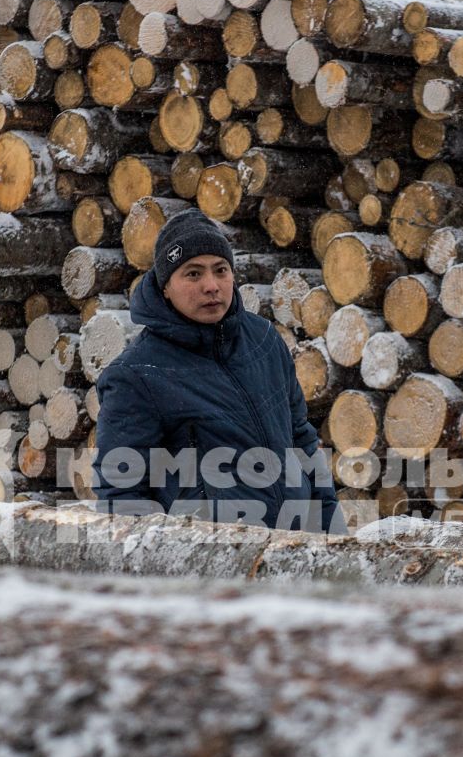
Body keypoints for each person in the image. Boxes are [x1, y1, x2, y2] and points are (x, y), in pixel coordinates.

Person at [92, 210, 342, 532]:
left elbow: (302, 443)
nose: (211, 286)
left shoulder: (264, 341)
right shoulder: (137, 374)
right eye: (193, 274)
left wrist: (332, 535)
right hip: (212, 563)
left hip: (293, 550)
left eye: (220, 270)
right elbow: (122, 497)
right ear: (165, 286)